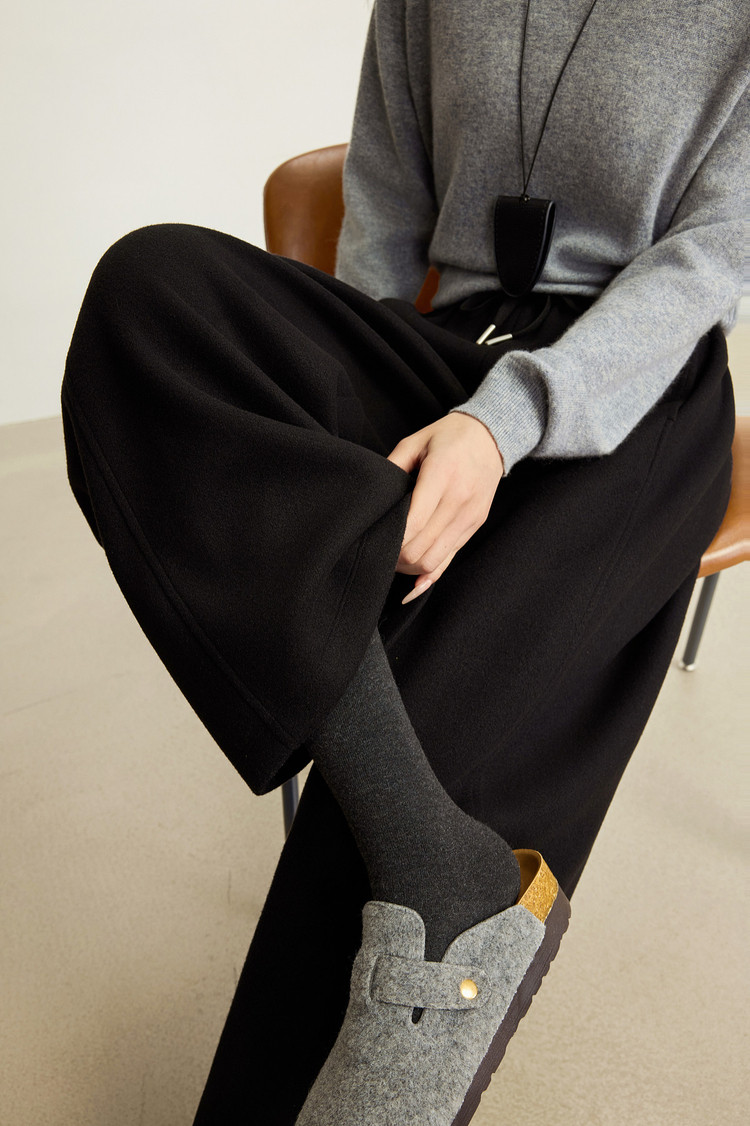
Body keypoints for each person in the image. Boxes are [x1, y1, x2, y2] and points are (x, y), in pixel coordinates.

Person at [60, 1, 747, 1123]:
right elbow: (385, 199)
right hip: (442, 341)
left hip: (630, 381)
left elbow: (713, 256)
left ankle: (420, 887)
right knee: (151, 288)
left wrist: (501, 427)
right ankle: (434, 854)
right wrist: (357, 426)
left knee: (419, 743)